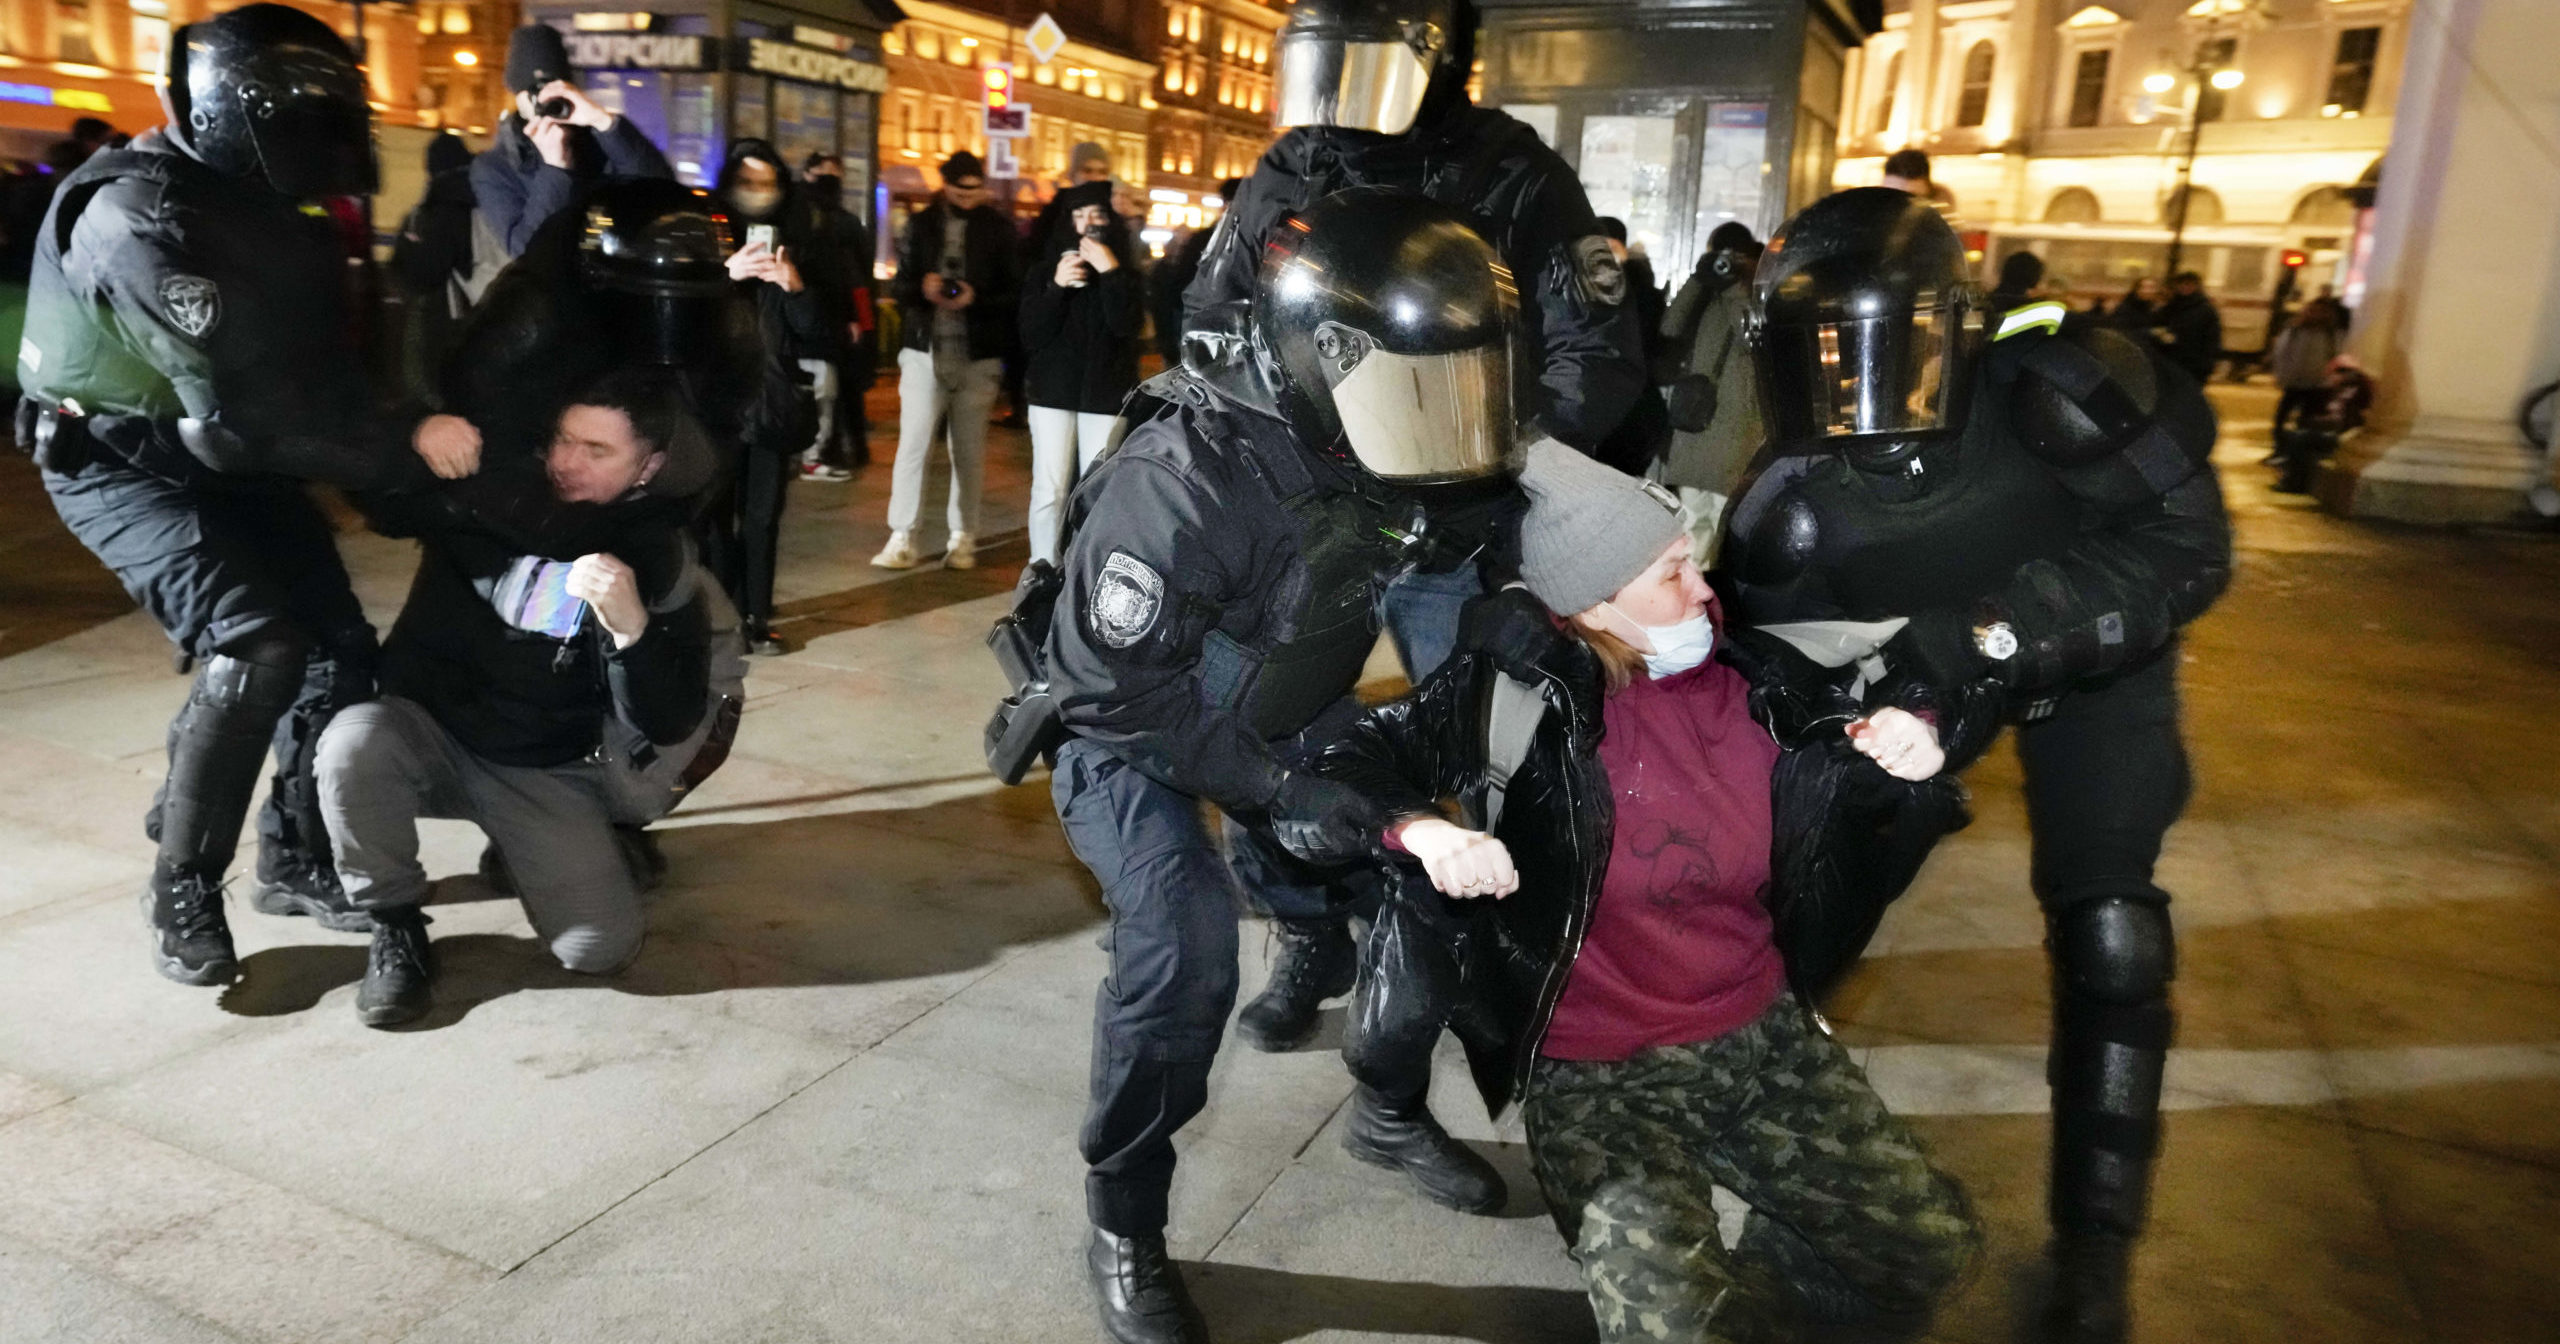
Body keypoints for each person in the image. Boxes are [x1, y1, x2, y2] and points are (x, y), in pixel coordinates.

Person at [1276, 442, 1983, 1344]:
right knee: (1674, 1333)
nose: (1703, 588)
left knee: (1932, 1252)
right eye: (1671, 572)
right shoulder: (1519, 696)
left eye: (1692, 558)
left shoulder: (1761, 678)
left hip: (1757, 1035)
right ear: (1592, 604)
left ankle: (1765, 1280)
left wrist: (1921, 724)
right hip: (1600, 1075)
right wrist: (1423, 828)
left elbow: (1942, 658)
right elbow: (1338, 764)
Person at [1723, 187, 2231, 1343]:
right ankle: (1791, 1176)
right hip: (1928, 680)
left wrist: (1986, 633)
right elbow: (1760, 679)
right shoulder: (1786, 508)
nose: (1861, 400)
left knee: (2111, 928)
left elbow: (2186, 551)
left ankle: (2097, 1241)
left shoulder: (2061, 388)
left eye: (1893, 353)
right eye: (1823, 360)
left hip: (2094, 666)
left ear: (1960, 328)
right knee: (1796, 902)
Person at [1046, 191, 1524, 1344]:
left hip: (1291, 705)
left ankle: (1390, 1107)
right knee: (1180, 943)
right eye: (1419, 389)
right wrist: (1287, 797)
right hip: (1136, 726)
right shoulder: (1183, 479)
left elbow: (1512, 515)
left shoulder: (1397, 417)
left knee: (1439, 884)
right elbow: (1117, 692)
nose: (1442, 421)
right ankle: (1124, 1220)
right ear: (1323, 357)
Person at [1181, 0, 1651, 1063]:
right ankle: (1310, 936)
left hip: (1454, 524)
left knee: (1471, 764)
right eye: (1321, 67)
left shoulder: (1512, 171)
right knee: (1258, 734)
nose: (1335, 97)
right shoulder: (1289, 167)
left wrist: (1489, 448)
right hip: (1315, 521)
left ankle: (1465, 966)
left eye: (1362, 65)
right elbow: (1210, 321)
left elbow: (1596, 352)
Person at [15, 5, 472, 983]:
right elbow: (238, 421)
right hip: (118, 460)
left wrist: (399, 443)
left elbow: (322, 373)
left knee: (341, 647)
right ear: (236, 111)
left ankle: (295, 854)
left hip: (231, 448)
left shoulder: (266, 205)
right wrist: (394, 463)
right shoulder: (142, 220)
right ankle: (182, 878)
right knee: (258, 642)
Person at [321, 371, 741, 1024]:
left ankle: (565, 840)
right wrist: (417, 428)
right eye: (564, 440)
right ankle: (394, 923)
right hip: (433, 738)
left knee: (600, 949)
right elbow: (375, 492)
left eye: (598, 451)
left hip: (541, 769)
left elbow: (667, 717)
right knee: (354, 741)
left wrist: (633, 629)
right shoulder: (495, 493)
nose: (567, 462)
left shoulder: (656, 557)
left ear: (647, 467)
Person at [875, 151, 1020, 572]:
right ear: (945, 185)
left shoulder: (998, 230)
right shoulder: (921, 225)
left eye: (976, 189)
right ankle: (901, 535)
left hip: (978, 355)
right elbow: (900, 286)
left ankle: (964, 536)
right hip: (925, 349)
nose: (968, 196)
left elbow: (1015, 292)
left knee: (969, 451)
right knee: (912, 446)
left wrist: (977, 298)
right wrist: (923, 287)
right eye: (960, 188)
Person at [707, 139, 820, 655]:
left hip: (770, 402)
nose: (756, 194)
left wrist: (794, 287)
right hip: (715, 401)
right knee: (712, 515)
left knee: (761, 515)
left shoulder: (799, 240)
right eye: (746, 182)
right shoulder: (707, 232)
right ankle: (720, 614)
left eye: (766, 183)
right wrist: (724, 277)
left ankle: (757, 616)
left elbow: (820, 333)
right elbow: (683, 317)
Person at [471, 23, 673, 259]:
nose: (546, 101)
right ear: (516, 95)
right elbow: (527, 254)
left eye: (554, 88)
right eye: (534, 92)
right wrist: (555, 169)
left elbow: (662, 194)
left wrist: (605, 122)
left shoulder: (599, 144)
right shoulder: (495, 167)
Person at [1021, 179, 1144, 567]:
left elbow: (1128, 326)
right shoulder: (1045, 268)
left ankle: (1087, 568)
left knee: (1099, 486)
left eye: (1096, 215)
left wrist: (1110, 273)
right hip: (1052, 392)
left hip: (1105, 393)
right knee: (1050, 488)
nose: (1087, 224)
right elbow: (1031, 335)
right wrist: (1056, 287)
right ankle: (1041, 569)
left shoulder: (1124, 268)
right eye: (1078, 216)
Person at [1655, 222, 1764, 562]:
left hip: (1733, 422)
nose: (1725, 263)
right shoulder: (1707, 290)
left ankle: (1707, 595)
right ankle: (1695, 587)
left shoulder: (1758, 293)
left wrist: (1736, 287)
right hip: (1697, 421)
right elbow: (1669, 326)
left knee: (1720, 519)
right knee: (1690, 518)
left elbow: (1750, 337)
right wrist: (1699, 278)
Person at [797, 151, 876, 480]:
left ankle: (838, 447)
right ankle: (840, 447)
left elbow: (855, 271)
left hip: (838, 310)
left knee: (837, 385)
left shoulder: (824, 219)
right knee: (835, 385)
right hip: (836, 310)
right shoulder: (831, 219)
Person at [389, 131, 483, 398]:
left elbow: (422, 276)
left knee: (430, 388)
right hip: (487, 308)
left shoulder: (433, 213)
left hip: (443, 316)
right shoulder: (487, 201)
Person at [1149, 178, 1240, 368]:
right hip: (1214, 329)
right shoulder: (1205, 240)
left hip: (1204, 327)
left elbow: (1180, 286)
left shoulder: (1204, 239)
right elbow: (1181, 284)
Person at [2272, 353, 2374, 495]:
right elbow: (2320, 412)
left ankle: (2294, 482)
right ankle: (2289, 473)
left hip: (2344, 433)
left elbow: (2356, 417)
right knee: (2296, 435)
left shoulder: (2361, 389)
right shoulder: (2332, 390)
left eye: (2345, 371)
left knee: (2301, 438)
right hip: (2329, 428)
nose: (2339, 376)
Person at [2267, 296, 2344, 440]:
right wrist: (2280, 375)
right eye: (2314, 310)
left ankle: (2297, 449)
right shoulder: (2294, 331)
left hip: (2318, 385)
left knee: (2307, 420)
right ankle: (2280, 445)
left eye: (2322, 311)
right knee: (2281, 418)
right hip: (2294, 382)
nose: (2317, 314)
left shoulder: (2331, 335)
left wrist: (2331, 379)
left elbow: (2336, 358)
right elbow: (2281, 353)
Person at [2152, 270, 2222, 385]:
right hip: (2171, 361)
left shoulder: (2206, 310)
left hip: (2196, 364)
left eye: (2189, 284)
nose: (2185, 287)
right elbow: (2156, 327)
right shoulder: (2170, 307)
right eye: (2181, 284)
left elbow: (2213, 338)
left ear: (2197, 286)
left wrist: (2209, 363)